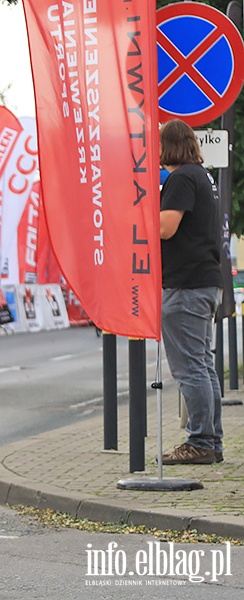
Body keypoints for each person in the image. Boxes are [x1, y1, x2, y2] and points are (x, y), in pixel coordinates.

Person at [159, 119, 223, 465]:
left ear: (167, 146)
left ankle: (200, 441)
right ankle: (211, 442)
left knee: (189, 369)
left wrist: (136, 218)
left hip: (186, 285)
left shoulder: (182, 177)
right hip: (205, 281)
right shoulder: (203, 176)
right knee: (203, 365)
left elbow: (166, 227)